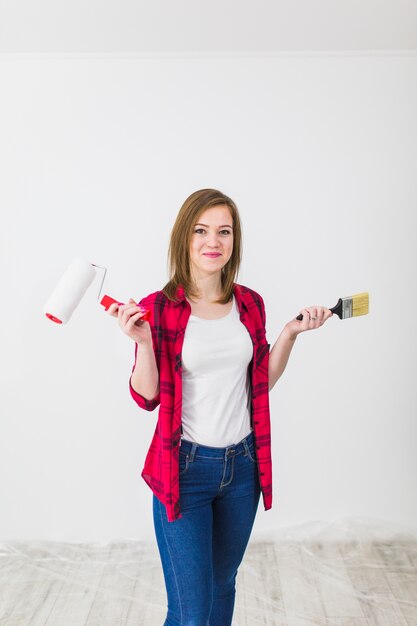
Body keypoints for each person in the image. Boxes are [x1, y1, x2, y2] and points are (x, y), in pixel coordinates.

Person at [107, 188, 333, 626]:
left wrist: (288, 334)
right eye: (202, 230)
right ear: (184, 239)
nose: (214, 242)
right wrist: (142, 342)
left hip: (242, 467)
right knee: (191, 612)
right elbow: (146, 396)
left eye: (224, 232)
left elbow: (260, 382)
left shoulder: (249, 302)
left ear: (234, 240)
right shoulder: (159, 308)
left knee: (222, 587)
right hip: (184, 470)